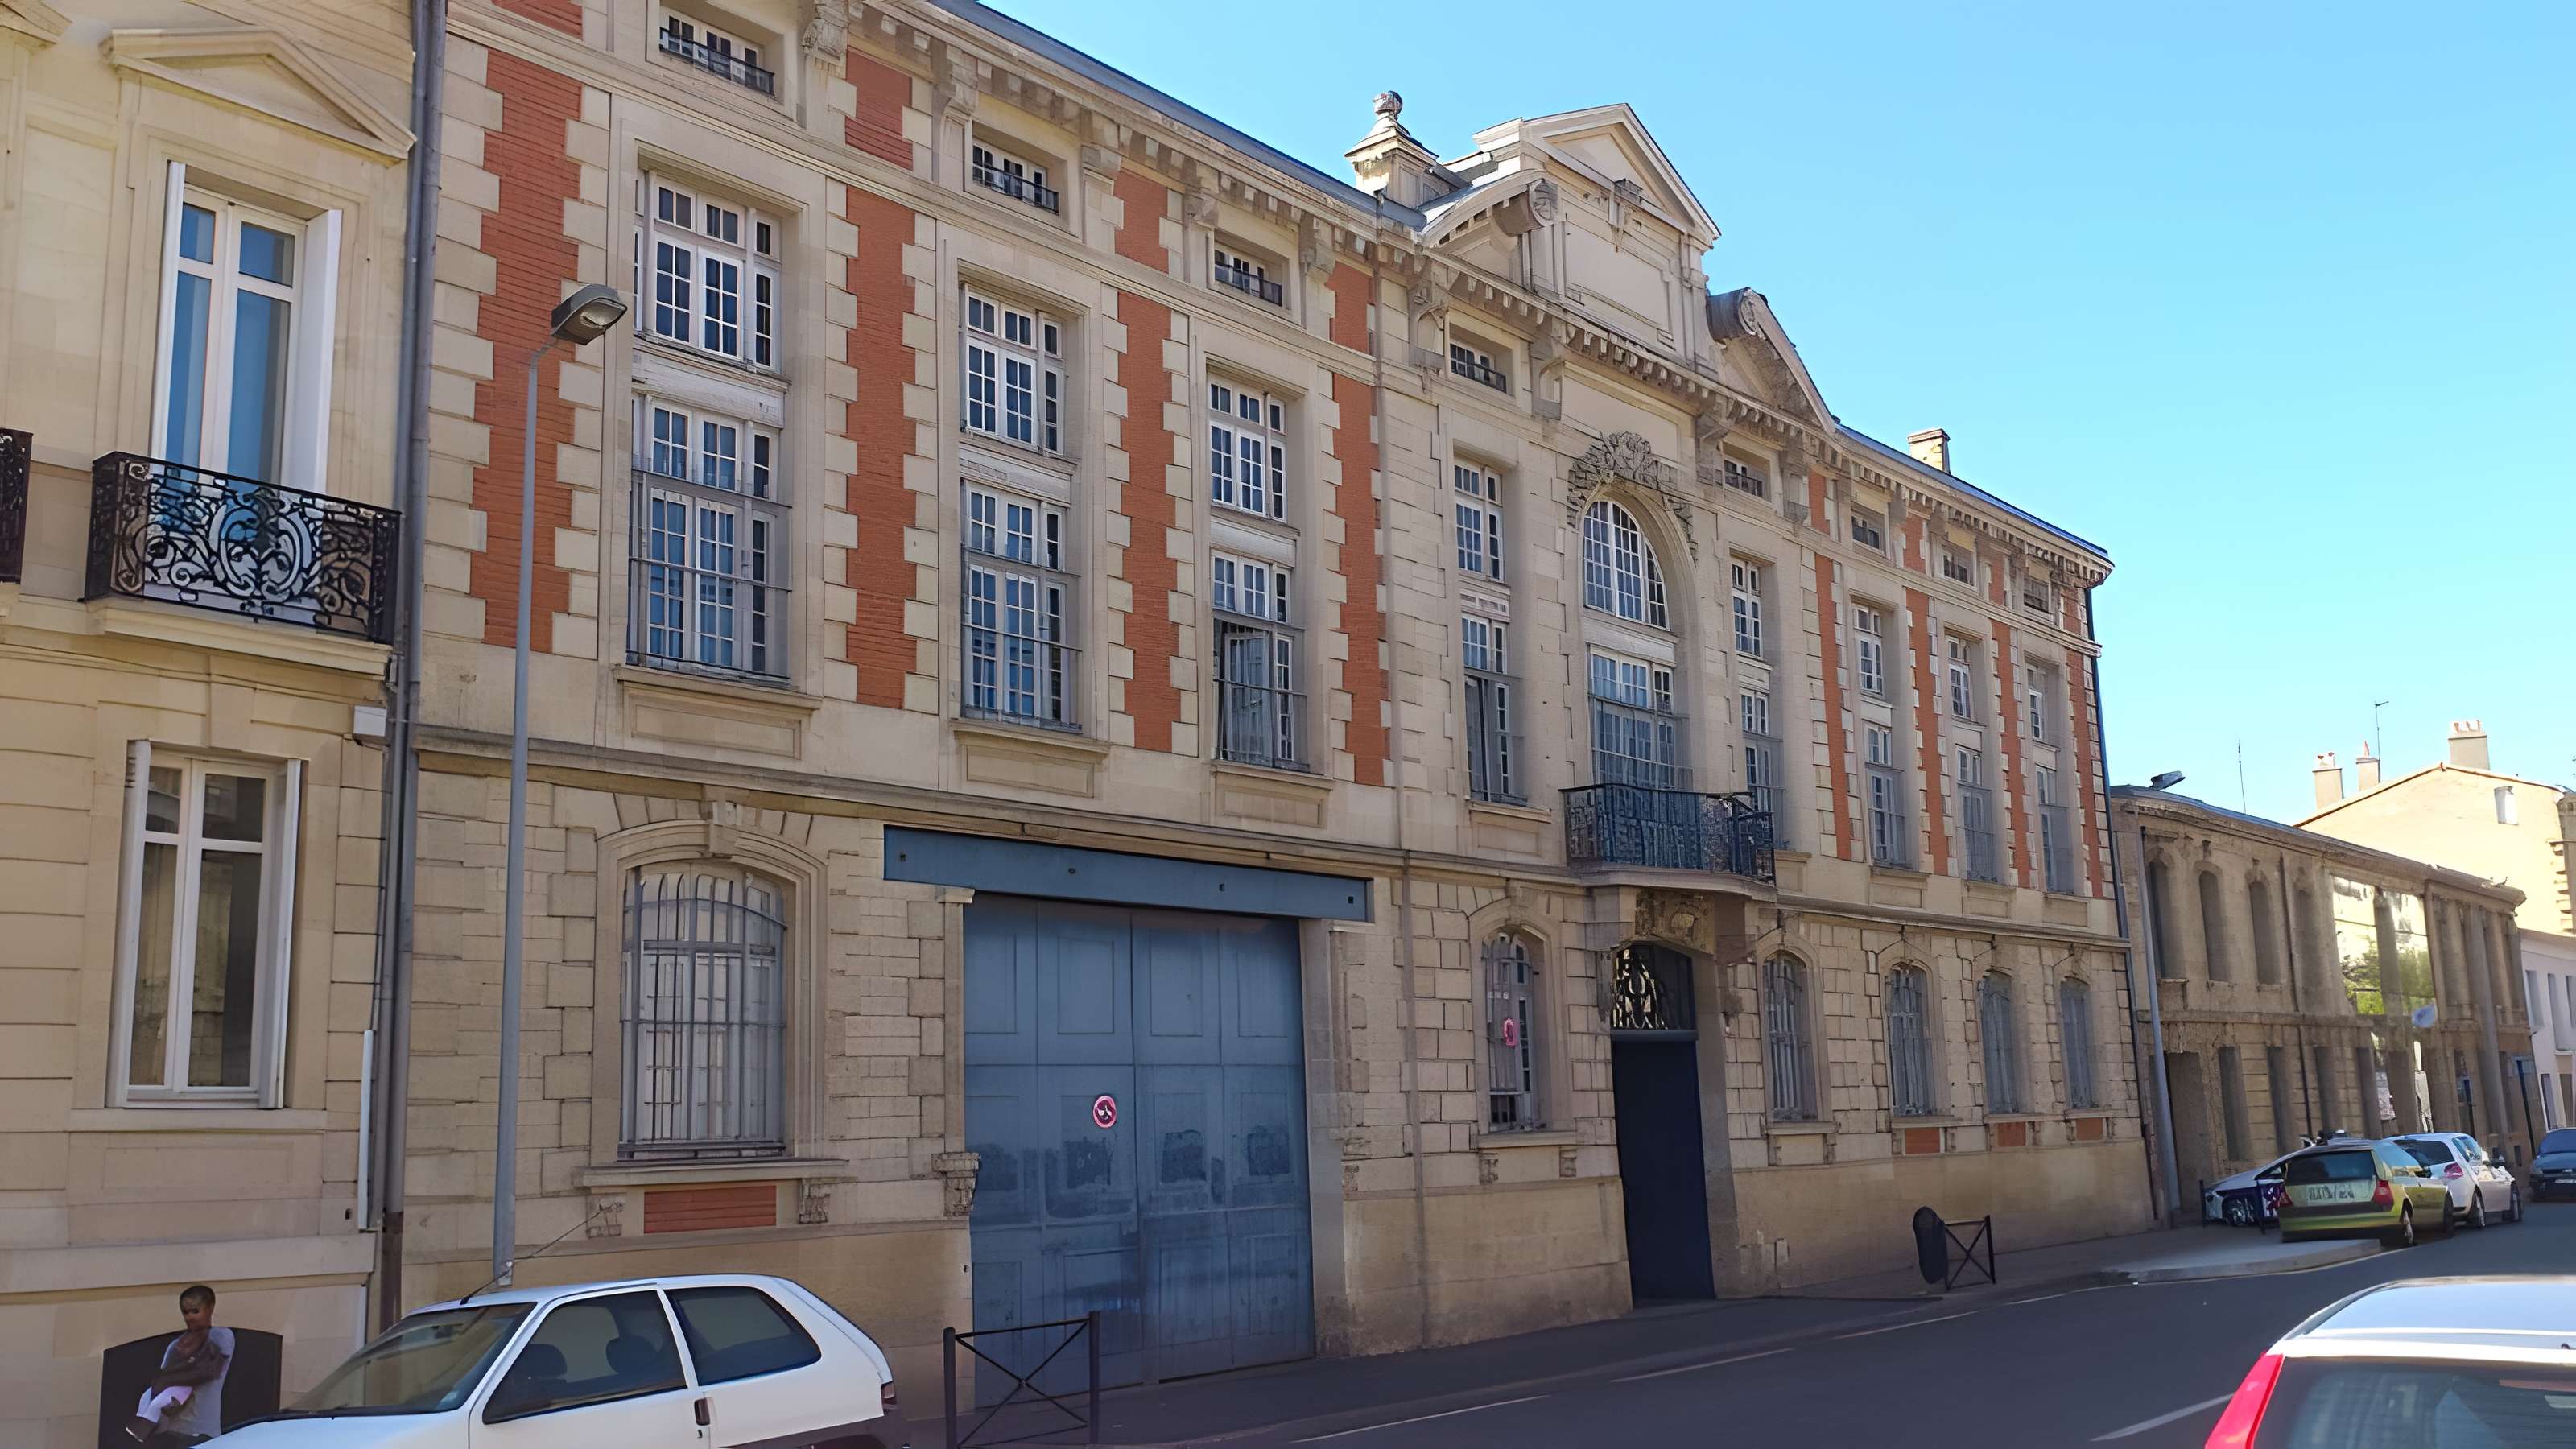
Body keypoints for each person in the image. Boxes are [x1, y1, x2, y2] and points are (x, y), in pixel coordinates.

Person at [125, 1285, 232, 1446]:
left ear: (210, 1308)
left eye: (195, 1311)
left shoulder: (220, 1336)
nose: (189, 1317)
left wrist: (167, 1379)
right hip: (174, 1428)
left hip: (202, 1429)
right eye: (185, 1312)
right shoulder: (175, 1345)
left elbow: (208, 1371)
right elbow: (161, 1383)